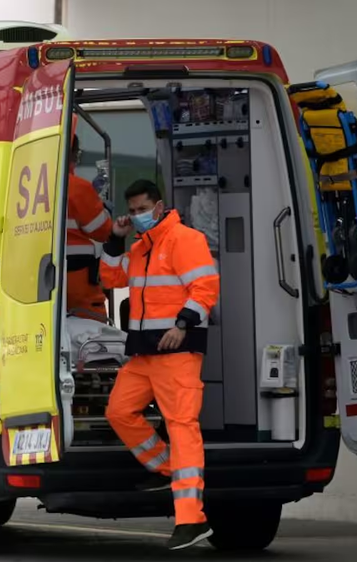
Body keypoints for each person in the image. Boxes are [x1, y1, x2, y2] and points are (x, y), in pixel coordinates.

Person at [100, 179, 220, 551]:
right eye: (131, 211)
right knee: (119, 412)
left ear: (159, 206)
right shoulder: (139, 248)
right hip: (144, 355)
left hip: (177, 353)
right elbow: (110, 276)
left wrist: (182, 324)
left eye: (141, 210)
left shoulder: (185, 239)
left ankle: (191, 520)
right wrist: (114, 238)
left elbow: (206, 288)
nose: (136, 216)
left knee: (182, 426)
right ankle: (169, 470)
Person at [66, 134, 113, 321]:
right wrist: (102, 207)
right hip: (77, 278)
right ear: (73, 154)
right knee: (92, 333)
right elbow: (103, 231)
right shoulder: (78, 188)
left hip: (38, 280)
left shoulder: (29, 184)